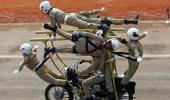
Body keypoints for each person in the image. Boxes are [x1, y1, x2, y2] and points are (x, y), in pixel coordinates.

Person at [43, 23, 122, 99]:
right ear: (108, 42)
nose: (108, 46)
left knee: (66, 49)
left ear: (111, 49)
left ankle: (51, 49)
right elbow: (88, 34)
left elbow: (95, 65)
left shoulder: (102, 53)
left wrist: (83, 70)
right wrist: (79, 33)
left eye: (110, 47)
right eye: (109, 44)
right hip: (81, 41)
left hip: (81, 50)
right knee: (67, 36)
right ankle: (54, 29)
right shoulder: (99, 39)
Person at [39, 1, 139, 37]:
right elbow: (58, 25)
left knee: (104, 22)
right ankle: (131, 21)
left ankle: (129, 22)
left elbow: (54, 26)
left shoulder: (51, 14)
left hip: (96, 20)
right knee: (108, 21)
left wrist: (54, 36)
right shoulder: (56, 10)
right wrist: (100, 10)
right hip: (96, 20)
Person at [118, 28, 148, 94]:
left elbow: (138, 36)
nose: (137, 35)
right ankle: (121, 86)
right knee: (130, 74)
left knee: (129, 70)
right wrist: (138, 57)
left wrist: (144, 34)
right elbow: (135, 51)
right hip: (134, 60)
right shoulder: (132, 44)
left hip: (133, 59)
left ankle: (123, 76)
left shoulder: (133, 40)